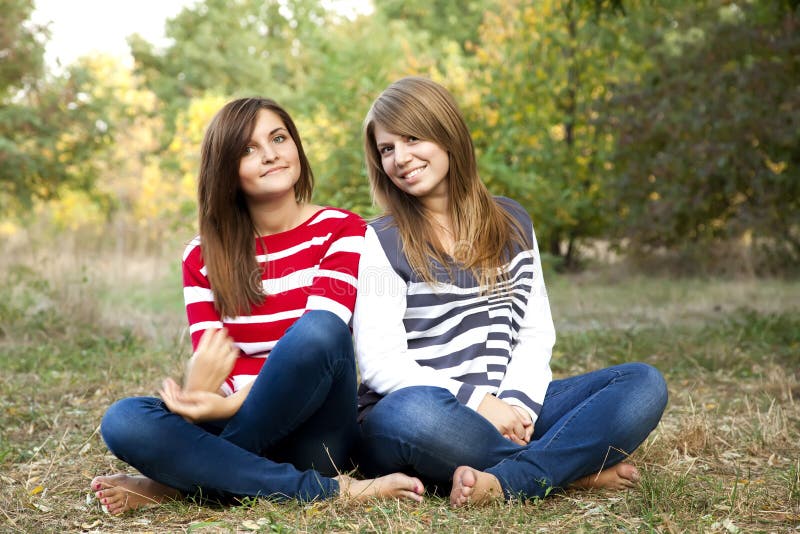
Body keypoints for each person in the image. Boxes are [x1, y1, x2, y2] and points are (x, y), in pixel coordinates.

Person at [90, 97, 424, 515]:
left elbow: (318, 345)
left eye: (279, 138)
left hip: (317, 433)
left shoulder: (342, 230)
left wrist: (225, 404)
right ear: (226, 169)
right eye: (248, 149)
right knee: (123, 419)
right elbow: (212, 366)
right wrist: (198, 389)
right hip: (239, 419)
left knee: (318, 330)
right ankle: (328, 490)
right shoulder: (201, 255)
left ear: (296, 146)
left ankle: (180, 483)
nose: (270, 154)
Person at [352, 76, 668, 506]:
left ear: (447, 134)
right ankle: (566, 474)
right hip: (423, 414)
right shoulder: (379, 238)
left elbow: (534, 332)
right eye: (387, 149)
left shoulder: (512, 222)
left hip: (508, 402)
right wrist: (481, 404)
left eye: (412, 138)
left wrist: (517, 407)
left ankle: (512, 479)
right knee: (410, 415)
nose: (401, 158)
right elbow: (380, 365)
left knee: (641, 383)